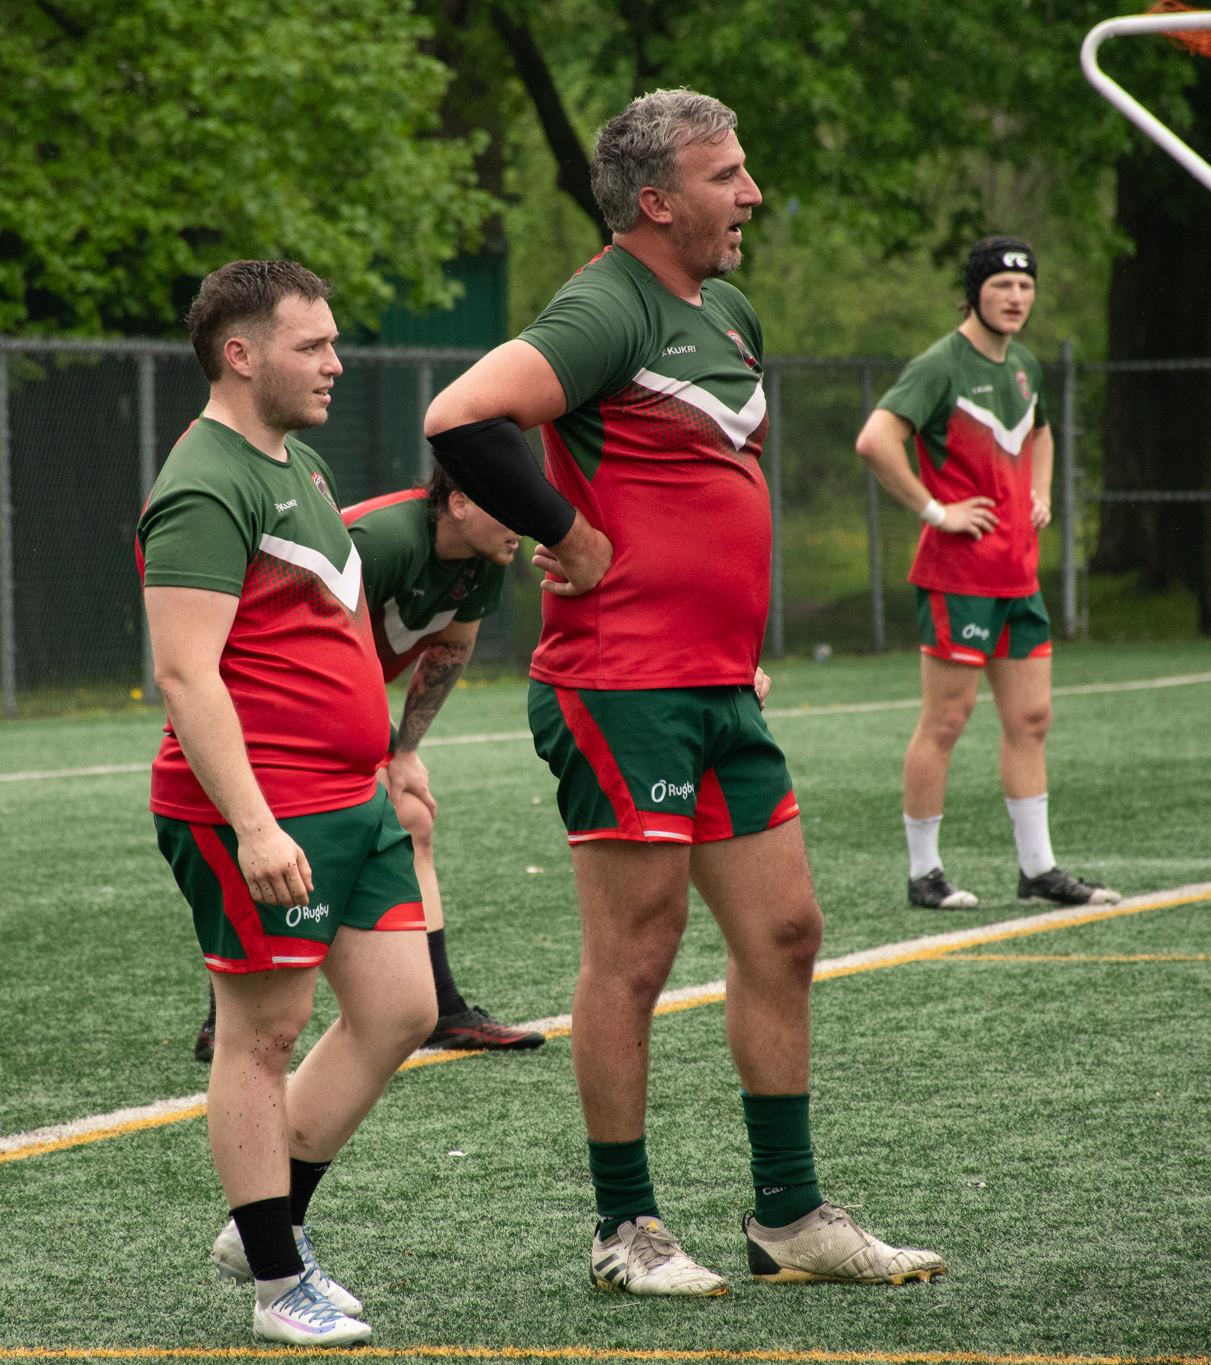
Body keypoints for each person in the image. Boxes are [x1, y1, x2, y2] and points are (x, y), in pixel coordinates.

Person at [422, 88, 945, 1296]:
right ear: (656, 200)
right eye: (725, 176)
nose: (749, 194)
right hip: (621, 686)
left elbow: (709, 473)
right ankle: (625, 1230)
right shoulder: (604, 302)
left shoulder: (726, 305)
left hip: (717, 685)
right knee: (637, 953)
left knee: (784, 931)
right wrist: (568, 531)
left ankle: (789, 1219)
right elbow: (461, 418)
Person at [140, 260, 435, 1347]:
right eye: (312, 346)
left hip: (350, 800)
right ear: (240, 354)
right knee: (260, 1038)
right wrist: (255, 823)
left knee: (402, 1008)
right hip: (259, 810)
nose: (335, 362)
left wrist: (392, 752)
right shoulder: (202, 482)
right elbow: (185, 673)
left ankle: (264, 1225)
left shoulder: (294, 462)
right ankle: (274, 1281)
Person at [192, 467, 547, 1057]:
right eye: (512, 503)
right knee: (286, 835)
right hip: (268, 701)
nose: (527, 524)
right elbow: (312, 639)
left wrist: (403, 750)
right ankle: (224, 1017)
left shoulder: (485, 556)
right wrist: (379, 744)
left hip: (333, 701)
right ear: (458, 502)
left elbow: (451, 651)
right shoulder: (385, 540)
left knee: (413, 817)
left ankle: (443, 1010)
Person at [854, 236, 1119, 912]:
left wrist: (1041, 490)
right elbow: (876, 439)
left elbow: (1043, 434)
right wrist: (935, 509)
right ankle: (924, 874)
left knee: (1031, 718)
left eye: (1026, 287)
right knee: (946, 720)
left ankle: (1038, 869)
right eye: (1002, 286)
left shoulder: (1025, 365)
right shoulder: (941, 365)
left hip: (1017, 576)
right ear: (974, 292)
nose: (1016, 297)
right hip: (958, 576)